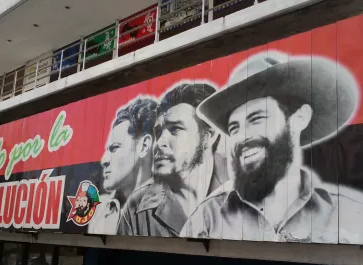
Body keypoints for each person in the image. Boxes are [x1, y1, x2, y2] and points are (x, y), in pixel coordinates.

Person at [181, 52, 363, 243]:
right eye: (234, 128)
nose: (242, 137)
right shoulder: (207, 218)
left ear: (299, 118)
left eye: (257, 118)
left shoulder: (350, 216)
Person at [117, 83, 228, 237]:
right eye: (158, 132)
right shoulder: (136, 206)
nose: (159, 143)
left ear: (208, 136)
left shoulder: (241, 195)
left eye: (175, 128)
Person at [87, 97, 158, 235]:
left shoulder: (168, 208)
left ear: (144, 146)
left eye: (114, 148)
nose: (104, 160)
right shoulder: (98, 212)